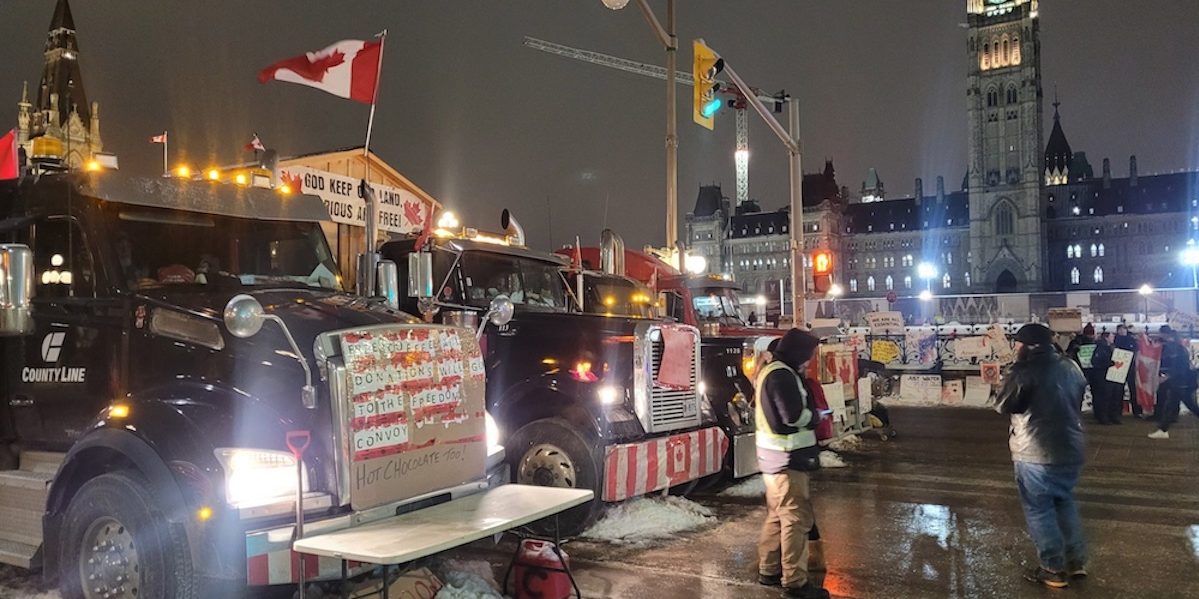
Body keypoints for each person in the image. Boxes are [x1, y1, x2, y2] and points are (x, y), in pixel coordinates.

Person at [995, 323, 1088, 589]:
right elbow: (1077, 398)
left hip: (1035, 451)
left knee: (1040, 510)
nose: (1015, 348)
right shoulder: (1071, 366)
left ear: (1026, 346)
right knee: (1065, 502)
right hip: (1070, 446)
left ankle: (1052, 568)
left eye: (1017, 343)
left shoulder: (1023, 370)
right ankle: (1075, 561)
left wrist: (1007, 376)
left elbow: (1004, 404)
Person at [755, 329, 829, 599]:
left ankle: (769, 569)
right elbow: (793, 416)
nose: (809, 361)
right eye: (808, 355)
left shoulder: (772, 370)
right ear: (798, 352)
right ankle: (796, 583)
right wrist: (816, 416)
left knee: (778, 515)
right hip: (787, 458)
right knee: (796, 519)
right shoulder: (782, 375)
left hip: (773, 457)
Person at [1148, 326, 1199, 439]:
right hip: (1182, 382)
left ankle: (1163, 430)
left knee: (1174, 405)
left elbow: (1179, 368)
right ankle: (1163, 429)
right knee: (1187, 405)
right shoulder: (1179, 348)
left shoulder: (1176, 349)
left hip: (1179, 383)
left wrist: (1167, 376)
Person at [1090, 333, 1122, 424]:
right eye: (1112, 337)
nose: (1113, 338)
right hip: (1103, 377)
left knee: (1113, 397)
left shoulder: (1110, 348)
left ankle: (1112, 416)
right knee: (1105, 398)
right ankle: (1104, 417)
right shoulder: (1101, 348)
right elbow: (1095, 362)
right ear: (1106, 338)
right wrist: (1110, 363)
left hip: (1111, 376)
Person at [1113, 324, 1141, 418]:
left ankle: (1137, 411)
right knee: (1118, 390)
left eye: (1123, 330)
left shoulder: (1131, 339)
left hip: (1130, 367)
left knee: (1133, 389)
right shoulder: (1115, 340)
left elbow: (1137, 351)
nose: (1122, 332)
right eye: (1120, 330)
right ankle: (1117, 411)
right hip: (1118, 367)